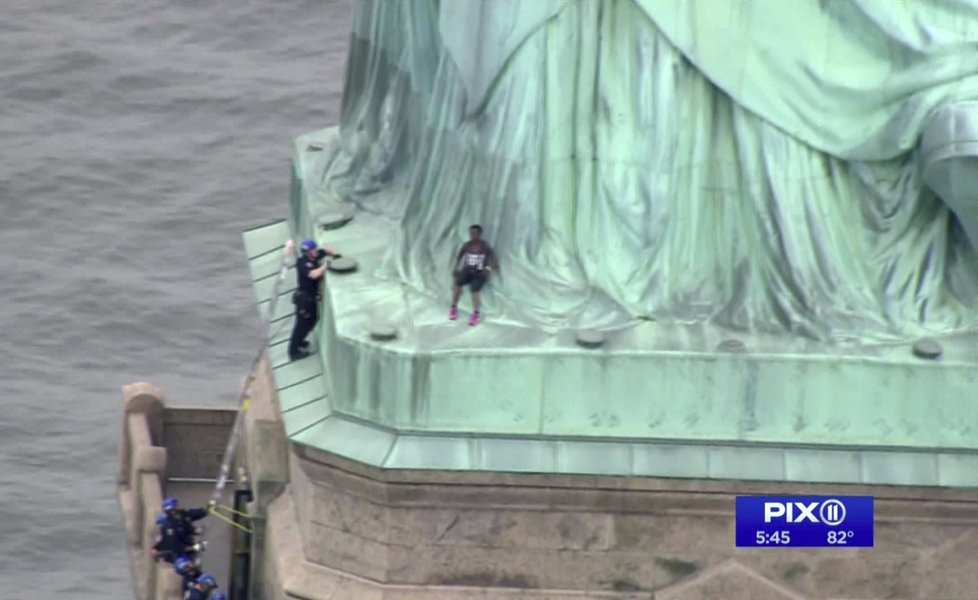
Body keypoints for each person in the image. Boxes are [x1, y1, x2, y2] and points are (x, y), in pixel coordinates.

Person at [289, 239, 341, 361]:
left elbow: (327, 249)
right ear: (307, 253)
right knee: (301, 325)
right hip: (305, 300)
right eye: (312, 250)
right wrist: (325, 267)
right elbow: (313, 274)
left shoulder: (316, 255)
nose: (315, 251)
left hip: (312, 299)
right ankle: (293, 351)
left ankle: (301, 342)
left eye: (315, 249)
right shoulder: (302, 263)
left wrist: (336, 255)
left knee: (313, 320)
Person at [449, 225, 497, 326]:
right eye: (471, 233)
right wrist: (456, 268)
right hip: (467, 270)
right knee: (457, 284)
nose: (473, 235)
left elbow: (493, 258)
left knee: (474, 289)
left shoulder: (484, 246)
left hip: (479, 272)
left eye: (475, 233)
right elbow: (459, 256)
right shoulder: (467, 245)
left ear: (480, 234)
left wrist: (488, 269)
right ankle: (453, 308)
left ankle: (476, 313)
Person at [151, 497, 209, 564]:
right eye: (177, 506)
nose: (179, 506)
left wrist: (206, 510)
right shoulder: (170, 528)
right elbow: (176, 547)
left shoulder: (182, 515)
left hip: (188, 549)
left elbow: (192, 514)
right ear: (173, 511)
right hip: (181, 557)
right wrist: (195, 547)